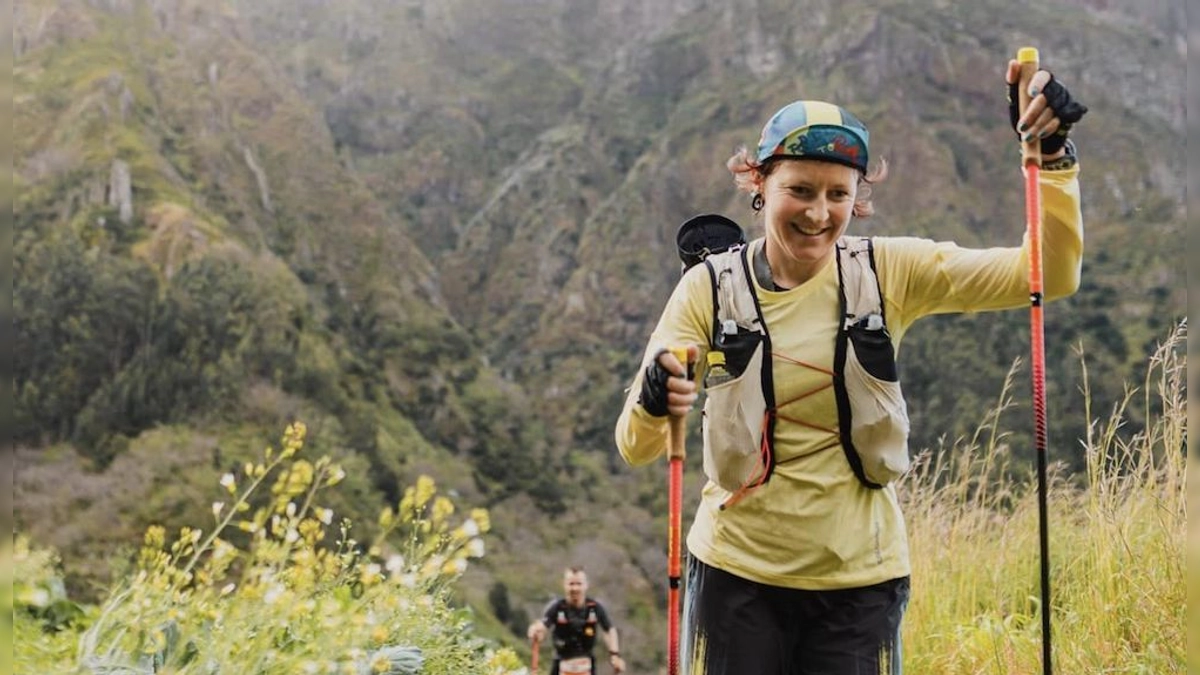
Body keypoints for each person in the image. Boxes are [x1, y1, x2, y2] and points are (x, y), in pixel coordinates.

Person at [614, 59, 1087, 674]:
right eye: (800, 190)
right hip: (735, 577)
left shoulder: (888, 271)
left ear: (859, 199)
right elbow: (637, 444)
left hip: (860, 583)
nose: (818, 214)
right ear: (759, 184)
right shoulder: (710, 288)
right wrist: (656, 396)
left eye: (839, 194)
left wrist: (1050, 158)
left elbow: (1046, 274)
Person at [528, 566, 626, 674]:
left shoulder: (595, 607)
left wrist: (614, 655)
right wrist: (536, 631)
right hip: (561, 661)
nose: (575, 588)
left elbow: (609, 630)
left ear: (586, 585)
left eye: (579, 584)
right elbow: (543, 625)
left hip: (586, 662)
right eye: (571, 584)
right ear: (564, 585)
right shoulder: (557, 607)